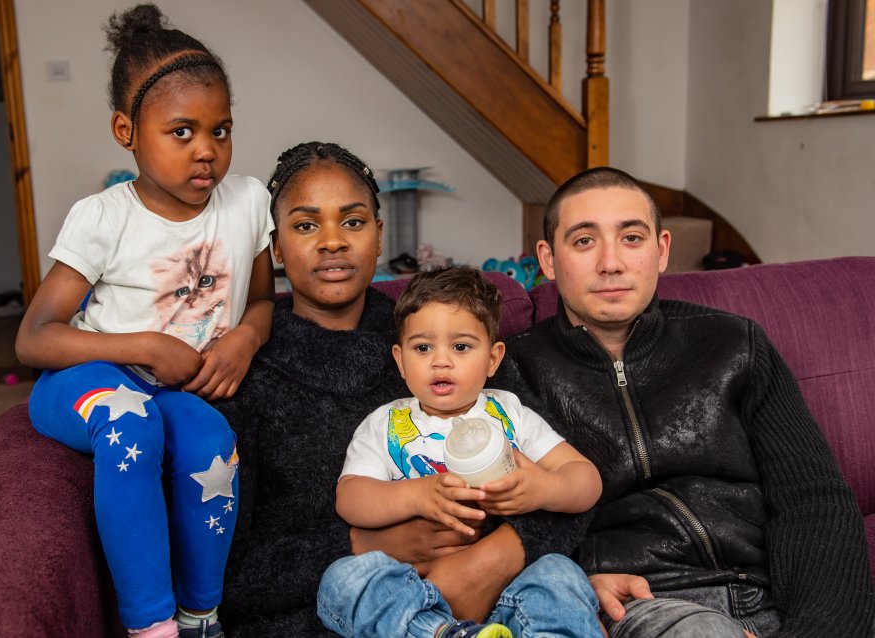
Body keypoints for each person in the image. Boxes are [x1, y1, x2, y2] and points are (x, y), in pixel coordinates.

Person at [215, 142, 592, 637]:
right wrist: (369, 543)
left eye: (353, 222)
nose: (332, 241)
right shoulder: (244, 372)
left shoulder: (446, 336)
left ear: (378, 235)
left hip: (499, 600)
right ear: (276, 247)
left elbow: (568, 490)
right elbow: (231, 579)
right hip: (334, 614)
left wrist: (489, 561)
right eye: (306, 225)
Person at [501, 166, 875, 637]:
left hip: (769, 597)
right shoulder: (512, 373)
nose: (611, 263)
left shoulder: (734, 344)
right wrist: (568, 584)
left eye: (632, 238)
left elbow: (813, 499)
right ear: (549, 259)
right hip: (644, 603)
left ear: (661, 251)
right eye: (583, 241)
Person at [15, 5, 274, 637]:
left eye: (222, 129)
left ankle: (200, 618)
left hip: (170, 390)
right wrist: (148, 346)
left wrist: (244, 336)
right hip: (89, 381)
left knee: (212, 442)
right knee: (130, 421)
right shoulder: (103, 217)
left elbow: (266, 300)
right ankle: (149, 625)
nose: (206, 150)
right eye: (181, 131)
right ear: (126, 129)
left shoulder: (247, 202)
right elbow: (33, 337)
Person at [317, 266, 603, 638]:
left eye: (461, 346)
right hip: (418, 594)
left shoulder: (508, 411)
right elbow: (351, 498)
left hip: (511, 588)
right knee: (343, 580)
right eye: (423, 348)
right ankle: (440, 633)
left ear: (493, 359)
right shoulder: (386, 422)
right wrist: (415, 495)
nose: (441, 360)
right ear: (401, 360)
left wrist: (543, 488)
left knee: (560, 575)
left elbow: (587, 480)